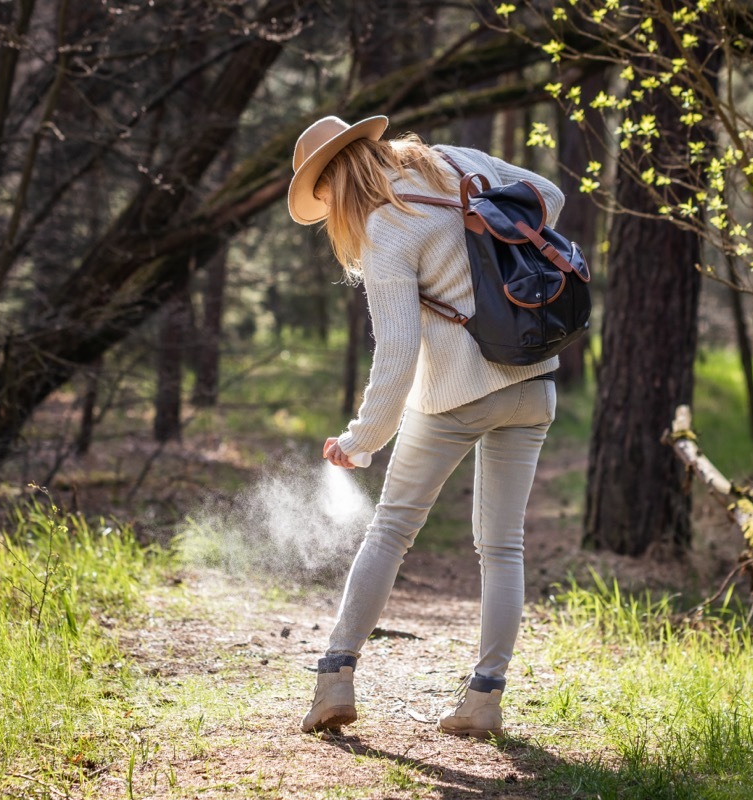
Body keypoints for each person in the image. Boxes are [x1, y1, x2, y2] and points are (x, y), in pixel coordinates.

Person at [288, 114, 564, 739]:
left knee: (390, 531)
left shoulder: (387, 228)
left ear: (334, 179)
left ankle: (335, 678)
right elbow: (550, 195)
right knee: (503, 548)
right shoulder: (455, 162)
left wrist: (360, 441)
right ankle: (485, 699)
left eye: (322, 195)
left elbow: (396, 357)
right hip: (533, 377)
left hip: (455, 395)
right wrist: (489, 240)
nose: (328, 210)